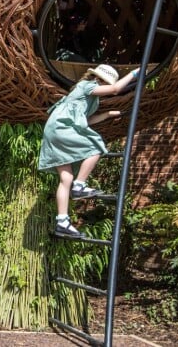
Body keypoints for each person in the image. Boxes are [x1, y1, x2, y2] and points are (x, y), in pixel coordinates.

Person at [39, 63, 139, 240]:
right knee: (96, 146)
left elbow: (85, 120)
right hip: (62, 128)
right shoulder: (87, 85)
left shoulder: (90, 97)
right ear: (99, 79)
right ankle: (79, 186)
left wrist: (107, 115)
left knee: (66, 178)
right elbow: (116, 89)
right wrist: (134, 73)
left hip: (54, 129)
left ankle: (62, 221)